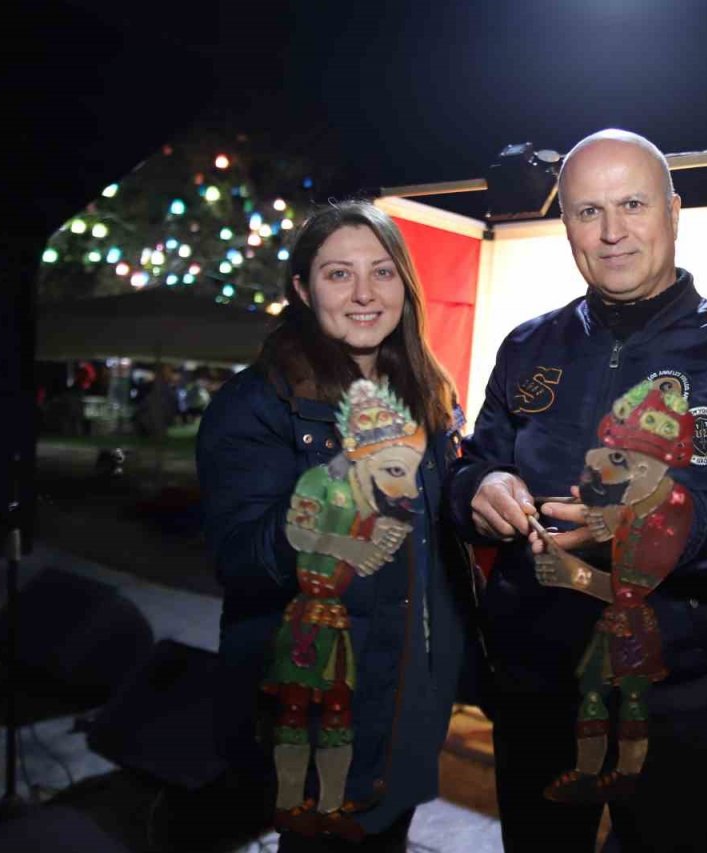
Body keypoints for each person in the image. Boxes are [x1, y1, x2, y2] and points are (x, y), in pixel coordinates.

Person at [445, 129, 707, 853]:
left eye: (631, 204)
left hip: (671, 698)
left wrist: (665, 523)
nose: (612, 231)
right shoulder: (527, 345)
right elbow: (470, 467)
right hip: (533, 685)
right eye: (588, 211)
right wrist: (477, 486)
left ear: (673, 212)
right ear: (566, 227)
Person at [197, 200, 474, 851]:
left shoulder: (426, 393)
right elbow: (240, 558)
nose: (364, 295)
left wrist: (487, 488)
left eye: (381, 272)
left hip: (410, 692)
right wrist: (347, 477)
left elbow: (433, 539)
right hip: (326, 696)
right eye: (338, 274)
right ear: (301, 287)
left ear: (405, 284)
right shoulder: (255, 404)